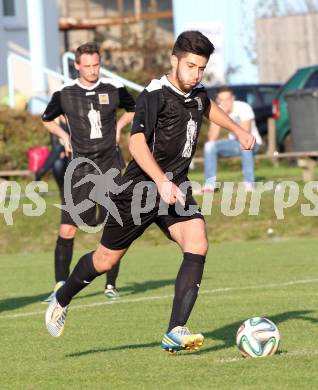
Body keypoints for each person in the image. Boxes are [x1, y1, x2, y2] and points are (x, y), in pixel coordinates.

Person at [45, 31, 255, 353]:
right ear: (174, 60)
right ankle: (62, 298)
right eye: (190, 66)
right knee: (104, 260)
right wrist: (160, 181)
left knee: (197, 242)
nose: (196, 74)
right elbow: (136, 142)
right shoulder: (154, 94)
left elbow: (208, 107)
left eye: (201, 68)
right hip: (139, 189)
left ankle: (175, 330)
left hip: (175, 186)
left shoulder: (197, 91)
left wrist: (238, 129)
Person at [41, 42, 135, 302]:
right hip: (80, 170)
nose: (93, 70)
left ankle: (110, 286)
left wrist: (118, 128)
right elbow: (47, 119)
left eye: (96, 65)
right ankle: (60, 286)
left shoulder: (113, 89)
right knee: (68, 229)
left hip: (110, 166)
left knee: (114, 226)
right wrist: (63, 136)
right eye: (88, 66)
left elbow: (134, 109)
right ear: (77, 66)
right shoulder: (65, 93)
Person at [201, 86, 262, 193]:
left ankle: (249, 183)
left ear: (233, 98)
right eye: (221, 100)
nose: (224, 102)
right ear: (217, 100)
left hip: (252, 142)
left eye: (227, 99)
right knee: (209, 146)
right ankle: (210, 185)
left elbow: (245, 133)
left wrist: (227, 120)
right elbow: (211, 138)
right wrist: (220, 116)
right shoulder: (218, 110)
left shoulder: (243, 107)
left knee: (245, 144)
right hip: (233, 144)